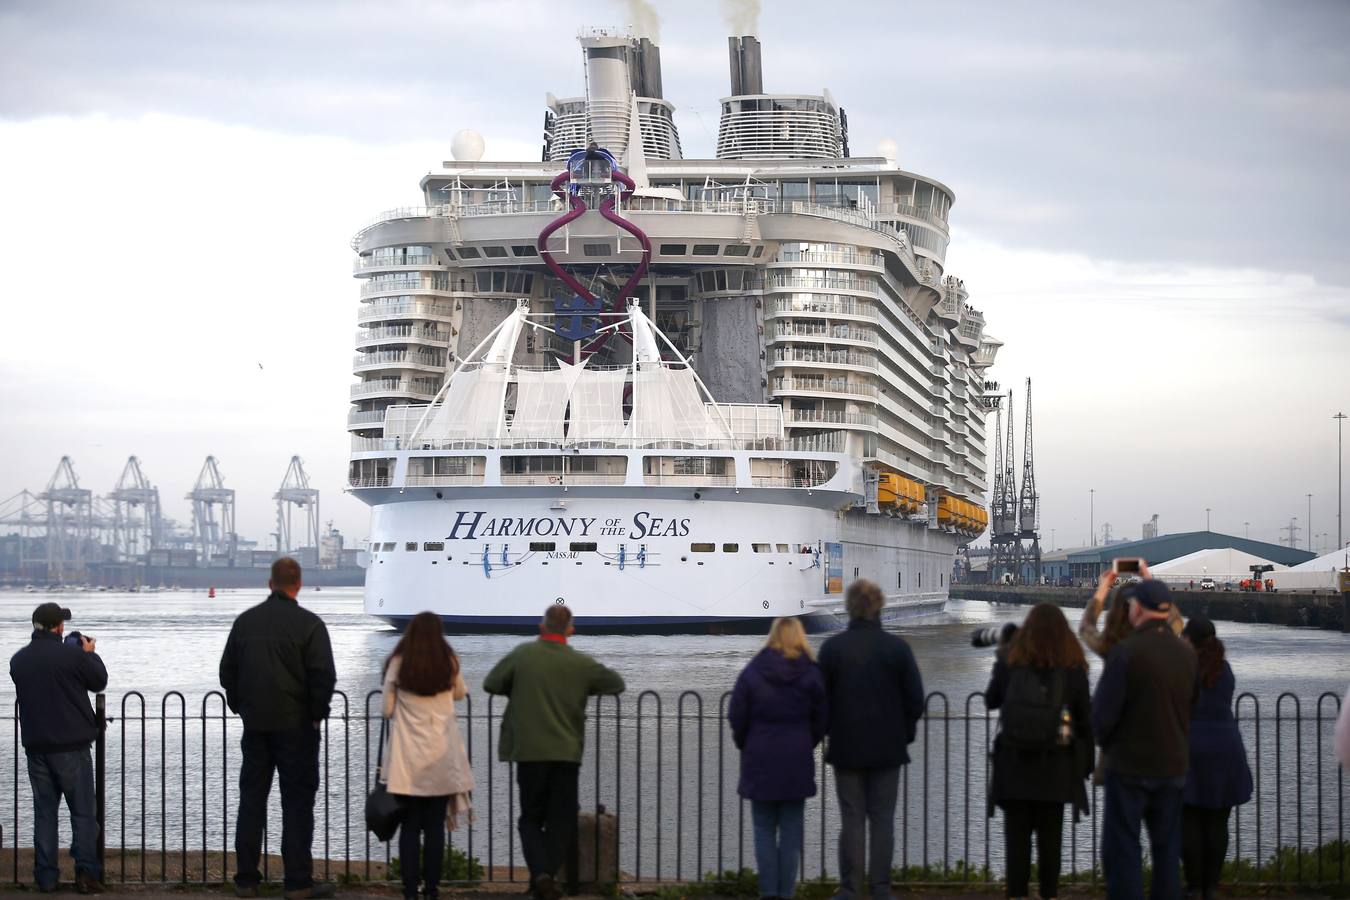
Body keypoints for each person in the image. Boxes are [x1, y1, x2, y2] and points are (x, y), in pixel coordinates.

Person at [483, 605, 624, 900]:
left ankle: (541, 875)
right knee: (562, 818)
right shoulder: (580, 663)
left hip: (529, 751)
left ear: (541, 626)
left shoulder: (523, 655)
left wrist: (519, 688)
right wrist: (583, 688)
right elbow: (616, 684)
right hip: (566, 752)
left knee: (531, 818)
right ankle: (546, 875)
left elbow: (491, 683)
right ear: (570, 629)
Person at [219, 558, 338, 899]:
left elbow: (228, 672)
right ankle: (298, 881)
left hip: (255, 726)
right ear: (298, 585)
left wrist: (241, 706)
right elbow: (323, 676)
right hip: (298, 727)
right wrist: (317, 714)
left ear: (269, 584)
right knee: (297, 803)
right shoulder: (310, 625)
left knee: (252, 800)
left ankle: (245, 879)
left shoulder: (245, 623)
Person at [817, 580, 924, 900]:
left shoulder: (832, 649)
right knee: (882, 821)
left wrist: (829, 731)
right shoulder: (897, 649)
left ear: (849, 607)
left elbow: (819, 700)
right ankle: (881, 889)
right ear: (879, 606)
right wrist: (905, 733)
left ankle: (850, 889)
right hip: (888, 749)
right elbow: (915, 700)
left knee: (852, 819)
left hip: (847, 747)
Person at [1092, 578, 1198, 900]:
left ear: (1138, 609)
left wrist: (1110, 744)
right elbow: (1190, 707)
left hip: (1129, 769)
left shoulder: (1125, 653)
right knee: (1167, 854)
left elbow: (1101, 718)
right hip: (1173, 768)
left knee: (1123, 851)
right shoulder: (1187, 654)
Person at [985, 604, 1093, 900]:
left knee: (1016, 848)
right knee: (1050, 846)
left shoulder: (1011, 661)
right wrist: (1084, 766)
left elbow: (991, 700)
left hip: (1014, 766)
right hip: (1055, 769)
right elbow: (1085, 719)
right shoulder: (1072, 668)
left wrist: (1001, 656)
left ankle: (1017, 893)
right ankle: (1049, 894)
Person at [9, 602, 108, 894]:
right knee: (83, 814)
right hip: (71, 747)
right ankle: (87, 874)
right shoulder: (72, 656)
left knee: (45, 814)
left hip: (36, 747)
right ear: (58, 627)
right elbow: (98, 681)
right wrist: (89, 653)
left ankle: (46, 877)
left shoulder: (19, 660)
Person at [728, 618, 827, 900]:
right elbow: (822, 718)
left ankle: (768, 893)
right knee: (792, 833)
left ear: (771, 638)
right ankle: (786, 894)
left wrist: (746, 744)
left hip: (759, 760)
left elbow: (737, 716)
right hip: (796, 761)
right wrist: (808, 743)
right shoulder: (811, 672)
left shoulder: (753, 671)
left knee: (763, 830)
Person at [381, 612, 475, 900]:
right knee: (435, 828)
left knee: (409, 829)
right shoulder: (449, 661)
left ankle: (410, 890)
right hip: (441, 756)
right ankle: (432, 889)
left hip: (408, 759)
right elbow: (461, 693)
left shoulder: (399, 662)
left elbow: (387, 708)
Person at [1179, 618, 1252, 900]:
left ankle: (1194, 886)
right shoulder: (1225, 669)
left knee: (1191, 820)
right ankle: (1212, 886)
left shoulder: (1185, 668)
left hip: (1192, 746)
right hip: (1226, 747)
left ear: (1190, 639)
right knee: (1218, 821)